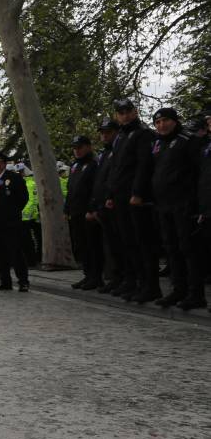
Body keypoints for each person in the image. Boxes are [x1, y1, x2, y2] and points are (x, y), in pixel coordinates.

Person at [149, 107, 203, 308]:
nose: (161, 125)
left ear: (174, 120)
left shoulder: (188, 141)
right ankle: (178, 290)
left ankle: (195, 293)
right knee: (172, 249)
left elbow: (199, 172)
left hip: (184, 203)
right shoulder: (157, 144)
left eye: (165, 121)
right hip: (164, 205)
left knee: (188, 249)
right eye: (157, 122)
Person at [106, 98, 159, 303]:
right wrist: (110, 195)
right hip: (119, 195)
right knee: (127, 241)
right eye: (120, 112)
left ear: (135, 112)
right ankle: (134, 281)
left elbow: (143, 165)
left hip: (134, 197)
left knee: (143, 242)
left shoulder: (142, 133)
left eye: (128, 111)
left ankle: (150, 285)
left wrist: (138, 193)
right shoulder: (120, 136)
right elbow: (115, 168)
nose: (125, 115)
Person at [0, 151, 30, 291]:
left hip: (10, 223)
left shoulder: (14, 178)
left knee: (15, 252)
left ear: (3, 163)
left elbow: (23, 198)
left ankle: (23, 281)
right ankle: (5, 281)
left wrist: (12, 213)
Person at [65, 135, 102, 290]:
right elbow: (71, 189)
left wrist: (92, 209)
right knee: (81, 246)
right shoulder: (75, 166)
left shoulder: (94, 164)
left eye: (80, 147)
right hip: (75, 212)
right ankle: (87, 275)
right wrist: (66, 209)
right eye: (74, 148)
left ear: (88, 147)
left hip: (87, 212)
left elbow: (96, 188)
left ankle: (96, 277)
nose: (77, 150)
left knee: (92, 245)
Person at [90, 119, 122, 293]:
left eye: (108, 132)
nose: (104, 136)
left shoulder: (119, 150)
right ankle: (116, 278)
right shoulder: (103, 154)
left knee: (121, 244)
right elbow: (99, 181)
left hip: (116, 204)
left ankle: (125, 279)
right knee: (112, 245)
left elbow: (115, 177)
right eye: (102, 132)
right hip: (103, 205)